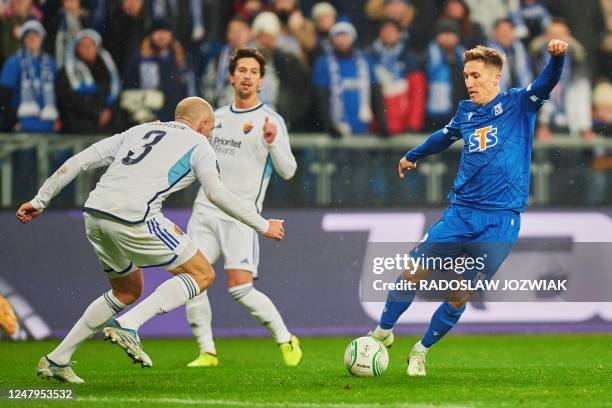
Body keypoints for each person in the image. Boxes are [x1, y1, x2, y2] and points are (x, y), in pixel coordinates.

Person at [16, 96, 285, 383]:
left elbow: (81, 160)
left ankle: (57, 359)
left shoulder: (139, 130)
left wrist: (40, 199)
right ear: (203, 123)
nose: (210, 134)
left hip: (95, 214)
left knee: (126, 291)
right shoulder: (199, 144)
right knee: (202, 274)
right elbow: (216, 193)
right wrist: (262, 225)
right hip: (135, 217)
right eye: (211, 128)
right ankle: (129, 324)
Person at [368, 40, 568, 376]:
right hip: (460, 212)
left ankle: (420, 351)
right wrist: (412, 155)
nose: (469, 82)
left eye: (475, 76)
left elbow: (546, 82)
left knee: (460, 291)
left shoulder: (520, 103)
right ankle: (382, 332)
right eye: (466, 76)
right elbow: (442, 137)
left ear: (496, 78)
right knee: (414, 270)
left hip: (500, 221)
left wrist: (557, 58)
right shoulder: (466, 112)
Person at [185, 47, 301, 368]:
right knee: (191, 281)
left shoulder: (271, 121)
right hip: (205, 211)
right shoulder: (215, 119)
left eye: (253, 72)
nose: (247, 76)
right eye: (242, 71)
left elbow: (289, 171)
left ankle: (285, 337)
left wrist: (272, 141)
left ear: (261, 81)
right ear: (231, 77)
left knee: (240, 289)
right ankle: (207, 351)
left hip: (241, 217)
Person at [56, 29, 121, 134]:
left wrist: (109, 111)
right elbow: (68, 98)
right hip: (77, 127)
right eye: (83, 45)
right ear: (77, 48)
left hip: (105, 127)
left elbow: (114, 93)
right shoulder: (67, 70)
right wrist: (96, 113)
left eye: (91, 45)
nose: (87, 49)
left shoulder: (106, 70)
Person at [487, 18, 532, 91]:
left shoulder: (520, 49)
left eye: (508, 31)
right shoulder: (486, 53)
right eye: (502, 31)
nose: (505, 34)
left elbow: (528, 74)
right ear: (495, 34)